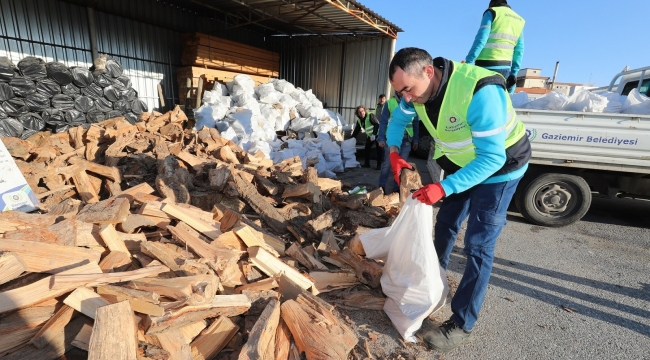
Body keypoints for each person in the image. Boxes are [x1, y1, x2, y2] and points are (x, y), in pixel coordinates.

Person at [387, 48, 531, 351]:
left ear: (428, 72)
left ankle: (463, 322)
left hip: (499, 169)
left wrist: (443, 188)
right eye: (401, 92)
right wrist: (394, 154)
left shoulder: (480, 90)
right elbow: (398, 122)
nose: (407, 98)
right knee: (446, 224)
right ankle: (432, 285)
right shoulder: (415, 93)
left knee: (478, 245)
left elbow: (492, 157)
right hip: (461, 166)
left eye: (408, 90)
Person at [465, 0, 525, 93]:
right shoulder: (519, 20)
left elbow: (481, 39)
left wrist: (468, 61)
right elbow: (519, 50)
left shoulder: (492, 12)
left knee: (480, 99)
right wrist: (513, 74)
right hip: (505, 68)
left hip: (485, 66)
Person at [377, 91, 420, 194]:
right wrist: (381, 138)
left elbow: (415, 123)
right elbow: (383, 121)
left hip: (406, 140)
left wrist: (415, 139)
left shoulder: (415, 102)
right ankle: (381, 187)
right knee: (387, 165)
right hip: (391, 140)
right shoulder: (390, 103)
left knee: (401, 166)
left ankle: (396, 189)